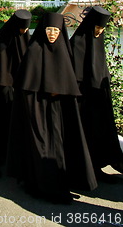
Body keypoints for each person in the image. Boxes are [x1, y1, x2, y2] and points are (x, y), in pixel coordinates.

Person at [8, 12, 97, 204]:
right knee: (39, 146)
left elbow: (68, 85)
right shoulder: (34, 51)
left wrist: (60, 92)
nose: (52, 34)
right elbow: (25, 84)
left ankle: (57, 184)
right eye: (49, 30)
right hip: (37, 109)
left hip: (57, 112)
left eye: (56, 30)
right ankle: (39, 184)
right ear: (43, 30)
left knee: (57, 147)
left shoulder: (64, 52)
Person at [70, 5, 123, 181]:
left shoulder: (98, 43)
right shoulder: (77, 43)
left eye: (102, 29)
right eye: (97, 28)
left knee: (99, 134)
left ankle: (98, 168)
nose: (99, 32)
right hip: (82, 103)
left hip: (98, 101)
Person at [0, 9, 31, 164]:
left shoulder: (26, 38)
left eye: (26, 29)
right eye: (21, 28)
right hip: (4, 87)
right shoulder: (2, 40)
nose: (23, 32)